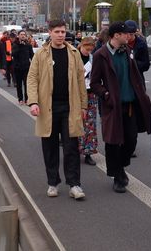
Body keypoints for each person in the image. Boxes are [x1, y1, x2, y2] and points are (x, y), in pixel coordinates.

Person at [27, 20, 88, 200]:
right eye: (57, 32)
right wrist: (33, 102)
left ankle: (74, 184)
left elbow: (80, 80)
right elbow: (32, 78)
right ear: (50, 33)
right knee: (50, 147)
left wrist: (84, 105)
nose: (61, 35)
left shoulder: (74, 53)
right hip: (48, 108)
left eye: (63, 32)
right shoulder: (41, 54)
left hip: (70, 107)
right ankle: (52, 183)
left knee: (71, 148)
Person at [90, 21, 151, 193]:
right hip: (112, 106)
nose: (129, 36)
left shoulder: (127, 51)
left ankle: (120, 167)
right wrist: (106, 94)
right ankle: (117, 175)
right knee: (112, 142)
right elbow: (94, 83)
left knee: (131, 140)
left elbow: (134, 75)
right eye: (126, 34)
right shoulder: (100, 55)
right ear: (116, 35)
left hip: (131, 105)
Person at [77, 36, 98, 166]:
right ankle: (75, 150)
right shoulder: (74, 56)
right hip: (77, 93)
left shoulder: (93, 58)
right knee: (77, 122)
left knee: (90, 123)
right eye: (86, 48)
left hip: (90, 93)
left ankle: (88, 152)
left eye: (90, 49)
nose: (88, 51)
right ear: (81, 46)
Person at [12, 30, 34, 105]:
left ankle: (27, 99)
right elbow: (13, 54)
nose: (23, 36)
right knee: (19, 84)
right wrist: (20, 46)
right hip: (17, 68)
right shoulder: (15, 44)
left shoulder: (28, 45)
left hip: (26, 67)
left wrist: (34, 64)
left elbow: (32, 56)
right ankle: (20, 99)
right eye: (21, 34)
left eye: (24, 34)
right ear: (18, 36)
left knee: (26, 84)